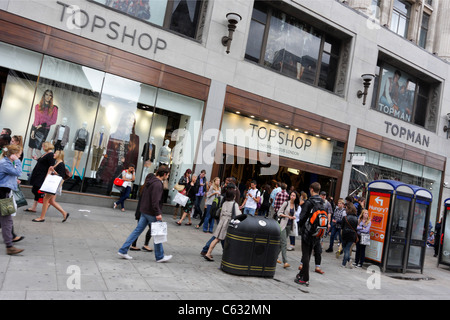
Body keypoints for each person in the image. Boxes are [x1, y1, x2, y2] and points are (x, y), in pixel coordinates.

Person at [117, 165, 172, 262]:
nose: (167, 177)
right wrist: (158, 213)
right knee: (158, 234)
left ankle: (123, 250)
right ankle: (160, 256)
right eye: (167, 175)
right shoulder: (158, 184)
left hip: (144, 211)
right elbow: (155, 201)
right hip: (151, 212)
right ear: (164, 174)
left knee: (137, 231)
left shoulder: (151, 181)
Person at [295, 182, 323, 286]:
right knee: (308, 253)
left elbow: (302, 218)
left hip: (307, 231)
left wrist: (300, 227)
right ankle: (301, 274)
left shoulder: (309, 202)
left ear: (311, 189)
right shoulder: (322, 202)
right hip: (317, 232)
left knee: (305, 254)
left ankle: (305, 278)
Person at [204, 187, 241, 261]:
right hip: (228, 223)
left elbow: (221, 214)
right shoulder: (235, 204)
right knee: (227, 239)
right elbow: (238, 215)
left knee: (217, 238)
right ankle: (227, 255)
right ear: (233, 196)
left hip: (222, 222)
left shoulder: (224, 203)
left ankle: (208, 252)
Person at [32, 150, 70, 223]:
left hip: (54, 185)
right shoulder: (57, 163)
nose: (54, 154)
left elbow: (61, 177)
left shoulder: (61, 164)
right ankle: (64, 213)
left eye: (55, 153)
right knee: (51, 201)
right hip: (53, 185)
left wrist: (53, 171)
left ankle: (42, 217)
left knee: (45, 199)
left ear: (59, 155)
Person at [0, 144, 24, 255]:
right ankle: (10, 247)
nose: (19, 157)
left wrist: (14, 180)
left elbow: (8, 176)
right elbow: (18, 172)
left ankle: (10, 246)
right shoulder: (5, 163)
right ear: (13, 154)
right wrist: (17, 162)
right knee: (7, 220)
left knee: (6, 220)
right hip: (2, 194)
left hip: (4, 193)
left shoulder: (7, 162)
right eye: (18, 155)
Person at [25, 142, 55, 213]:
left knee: (36, 190)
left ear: (46, 146)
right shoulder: (46, 154)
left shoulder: (50, 155)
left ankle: (47, 202)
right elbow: (43, 162)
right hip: (38, 174)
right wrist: (37, 159)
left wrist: (48, 176)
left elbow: (51, 166)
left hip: (42, 175)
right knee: (35, 189)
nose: (42, 148)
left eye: (43, 146)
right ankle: (34, 207)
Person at [277, 191, 300, 268]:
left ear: (296, 197)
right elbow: (279, 213)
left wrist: (293, 218)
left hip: (289, 226)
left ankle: (275, 257)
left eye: (294, 195)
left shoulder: (296, 206)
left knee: (281, 243)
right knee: (284, 243)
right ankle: (285, 262)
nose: (292, 196)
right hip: (283, 225)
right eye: (291, 195)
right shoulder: (286, 203)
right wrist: (288, 217)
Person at [341, 202, 358, 268]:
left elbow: (342, 227)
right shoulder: (356, 218)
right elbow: (356, 227)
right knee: (348, 248)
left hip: (345, 234)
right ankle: (345, 262)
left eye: (346, 208)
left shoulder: (345, 218)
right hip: (352, 235)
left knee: (345, 249)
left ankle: (346, 261)